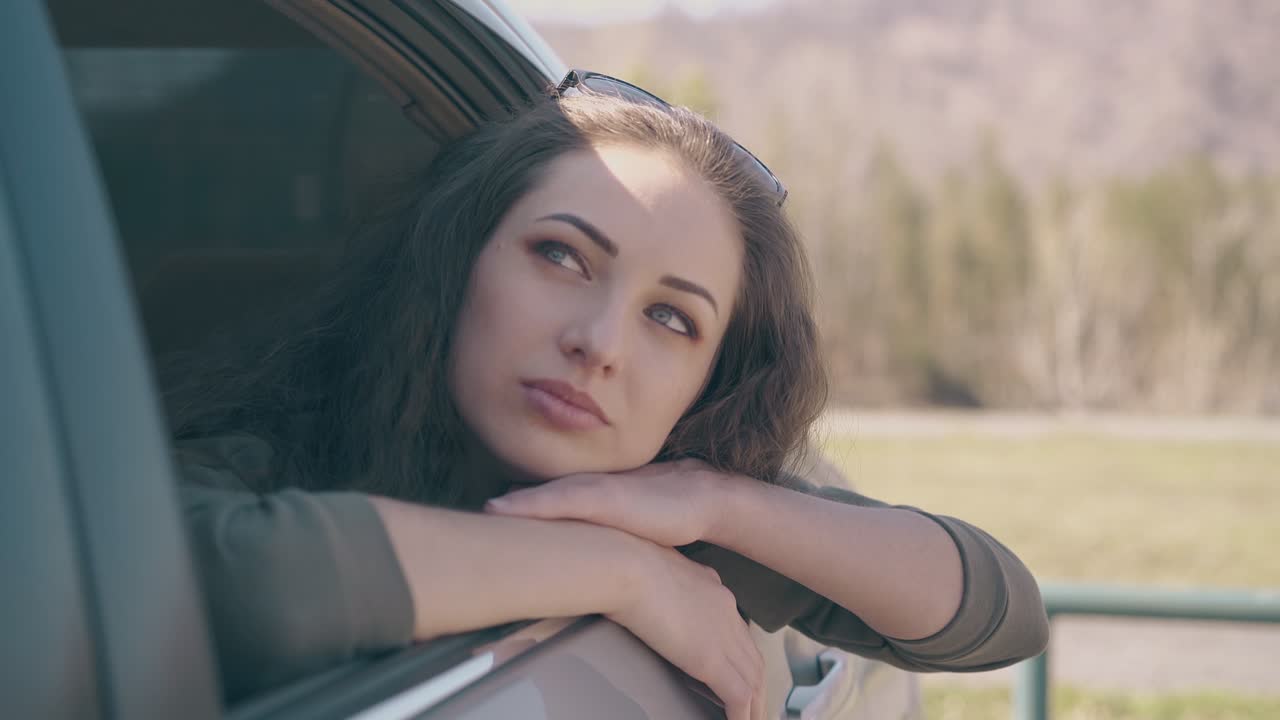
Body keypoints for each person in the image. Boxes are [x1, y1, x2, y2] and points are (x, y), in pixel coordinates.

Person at [165, 71, 1049, 719]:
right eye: (561, 256)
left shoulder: (669, 510)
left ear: (708, 382)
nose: (600, 343)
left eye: (672, 318)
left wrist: (715, 501)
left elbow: (1002, 615)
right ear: (456, 260)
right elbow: (212, 585)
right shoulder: (275, 445)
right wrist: (618, 573)